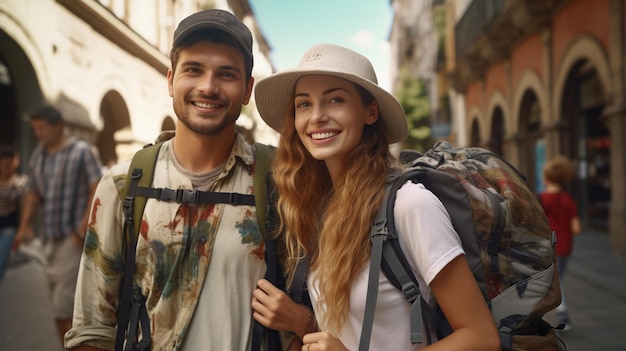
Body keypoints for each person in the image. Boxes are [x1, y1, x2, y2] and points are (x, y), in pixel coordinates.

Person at [65, 9, 297, 351]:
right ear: (171, 79)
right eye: (193, 70)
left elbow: (306, 315)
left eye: (227, 74)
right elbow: (92, 326)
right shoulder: (123, 184)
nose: (208, 86)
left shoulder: (282, 182)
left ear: (248, 89)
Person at [251, 43, 500, 350]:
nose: (316, 116)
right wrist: (305, 323)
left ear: (370, 112)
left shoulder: (410, 205)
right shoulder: (319, 208)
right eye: (304, 104)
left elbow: (481, 338)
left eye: (335, 100)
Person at [12, 105, 102, 347]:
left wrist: (81, 230)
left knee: (64, 307)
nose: (38, 133)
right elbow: (33, 194)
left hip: (71, 241)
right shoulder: (39, 155)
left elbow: (98, 191)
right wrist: (23, 228)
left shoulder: (82, 151)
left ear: (58, 126)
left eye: (42, 128)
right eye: (35, 129)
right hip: (48, 241)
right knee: (57, 307)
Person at [538, 155, 581, 331]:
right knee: (557, 278)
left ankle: (561, 312)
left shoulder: (541, 199)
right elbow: (576, 228)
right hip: (565, 246)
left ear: (546, 178)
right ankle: (557, 311)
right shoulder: (568, 200)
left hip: (547, 246)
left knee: (554, 280)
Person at [0, 145, 28, 281]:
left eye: (12, 165)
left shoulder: (20, 183)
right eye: (6, 165)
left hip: (8, 225)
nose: (10, 168)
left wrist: (22, 230)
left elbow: (24, 206)